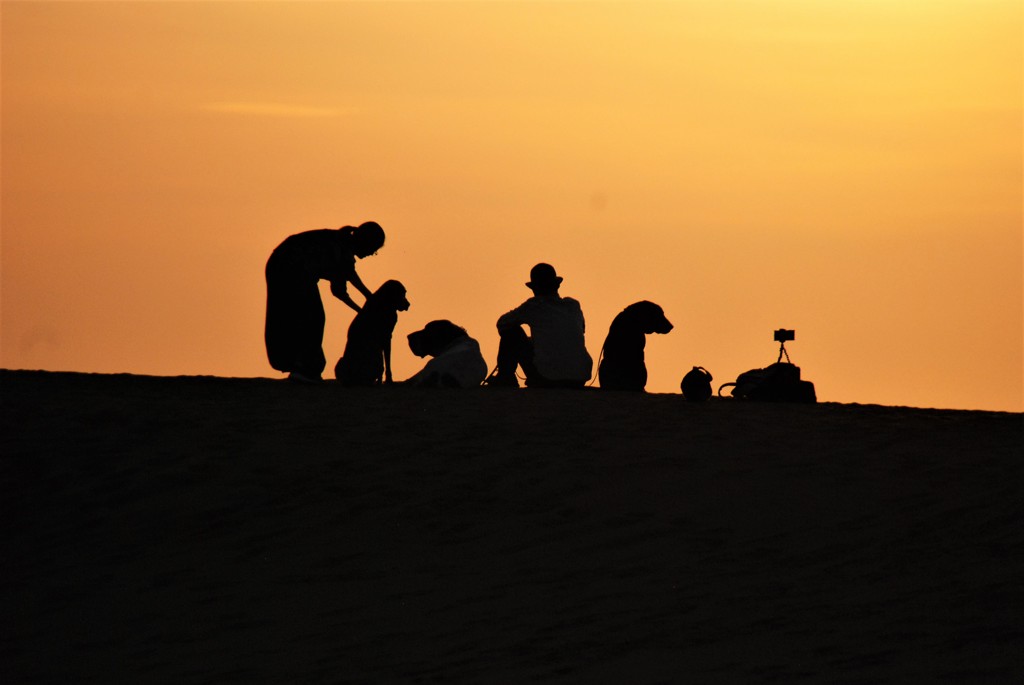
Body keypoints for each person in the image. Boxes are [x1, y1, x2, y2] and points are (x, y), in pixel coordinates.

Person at [264, 221, 385, 382]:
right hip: (290, 266)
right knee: (311, 317)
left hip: (286, 266)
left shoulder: (342, 247)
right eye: (374, 249)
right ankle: (303, 368)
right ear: (366, 243)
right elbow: (349, 275)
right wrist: (369, 300)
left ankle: (303, 367)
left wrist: (363, 310)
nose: (372, 254)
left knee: (304, 317)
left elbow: (339, 291)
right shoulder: (340, 245)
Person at [484, 263, 593, 388]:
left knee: (512, 331)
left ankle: (505, 377)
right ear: (557, 285)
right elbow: (579, 331)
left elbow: (502, 323)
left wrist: (530, 342)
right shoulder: (573, 305)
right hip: (579, 378)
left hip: (547, 377)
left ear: (534, 288)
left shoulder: (534, 306)